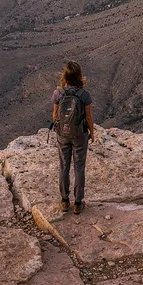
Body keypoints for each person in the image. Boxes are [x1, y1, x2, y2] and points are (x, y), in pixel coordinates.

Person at [51, 61, 94, 214]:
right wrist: (92, 133)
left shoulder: (58, 93)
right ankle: (77, 203)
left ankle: (64, 201)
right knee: (79, 167)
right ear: (79, 76)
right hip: (79, 135)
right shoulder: (85, 95)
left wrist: (61, 127)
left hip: (63, 133)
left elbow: (55, 115)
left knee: (64, 166)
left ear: (65, 76)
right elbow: (88, 118)